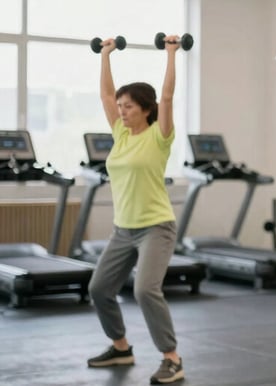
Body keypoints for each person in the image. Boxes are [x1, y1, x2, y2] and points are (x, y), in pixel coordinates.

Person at [86, 35, 184, 385]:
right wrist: (105, 55)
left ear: (145, 108)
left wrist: (171, 54)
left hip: (156, 227)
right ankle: (121, 346)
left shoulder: (159, 136)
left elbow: (168, 96)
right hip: (122, 229)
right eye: (121, 105)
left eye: (128, 106)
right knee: (99, 289)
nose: (121, 110)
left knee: (145, 290)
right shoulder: (121, 135)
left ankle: (172, 359)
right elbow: (105, 95)